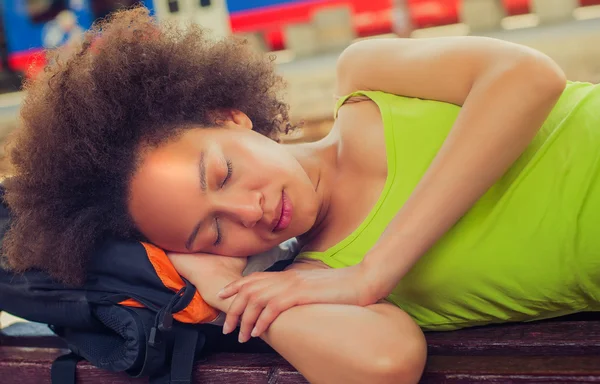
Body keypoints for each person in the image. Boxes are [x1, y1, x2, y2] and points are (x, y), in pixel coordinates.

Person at [2, 6, 599, 384]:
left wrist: (374, 272)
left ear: (229, 116)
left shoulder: (366, 78)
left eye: (223, 173)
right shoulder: (313, 283)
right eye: (213, 232)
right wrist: (216, 285)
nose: (248, 212)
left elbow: (527, 77)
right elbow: (383, 367)